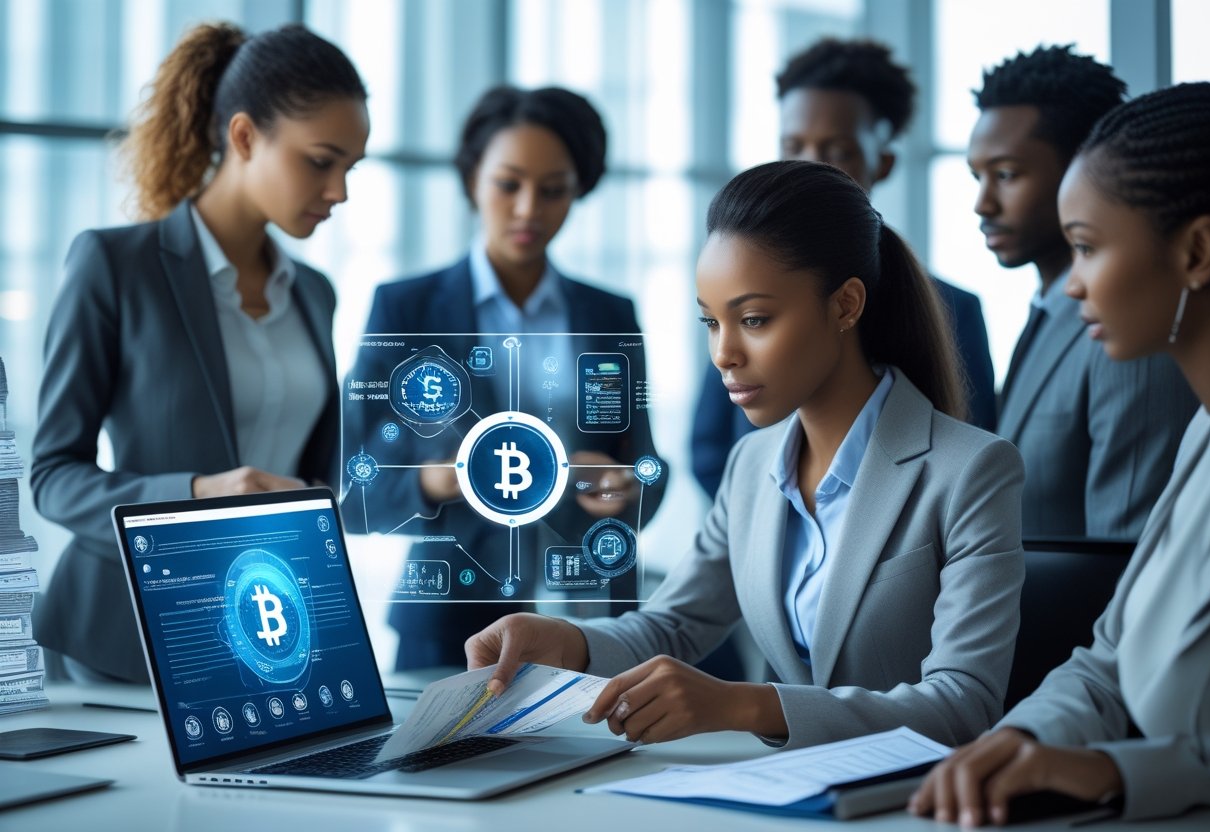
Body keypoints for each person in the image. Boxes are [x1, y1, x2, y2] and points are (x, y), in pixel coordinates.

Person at [466, 160, 1025, 750]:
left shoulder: (972, 471)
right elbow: (674, 624)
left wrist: (742, 704)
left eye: (753, 319)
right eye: (711, 321)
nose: (724, 353)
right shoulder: (752, 465)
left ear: (845, 306)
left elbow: (964, 701)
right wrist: (563, 641)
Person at [911, 82, 1210, 826]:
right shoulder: (1202, 437)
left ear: (1198, 250)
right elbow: (1110, 654)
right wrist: (1019, 739)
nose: (1073, 281)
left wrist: (1114, 770)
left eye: (1087, 246)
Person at [31, 22, 369, 683]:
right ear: (244, 137)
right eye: (320, 161)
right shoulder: (115, 266)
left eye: (350, 169)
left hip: (263, 634)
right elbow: (53, 477)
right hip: (121, 638)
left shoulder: (315, 295)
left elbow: (319, 481)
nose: (339, 193)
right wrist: (200, 495)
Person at [346, 86, 665, 670]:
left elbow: (645, 462)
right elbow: (351, 488)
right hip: (452, 621)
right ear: (472, 180)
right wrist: (436, 481)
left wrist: (628, 487)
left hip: (593, 616)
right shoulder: (408, 311)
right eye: (508, 184)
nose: (528, 210)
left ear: (580, 190)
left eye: (554, 191)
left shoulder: (609, 315)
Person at [691, 38, 996, 499]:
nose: (810, 165)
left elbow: (965, 453)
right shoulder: (741, 287)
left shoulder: (952, 308)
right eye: (793, 145)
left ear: (884, 162)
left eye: (838, 150)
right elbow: (710, 446)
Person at [968, 44, 1196, 539]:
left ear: (1083, 167)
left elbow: (1124, 557)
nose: (982, 203)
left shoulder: (1129, 333)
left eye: (1006, 175)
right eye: (977, 176)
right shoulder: (1046, 312)